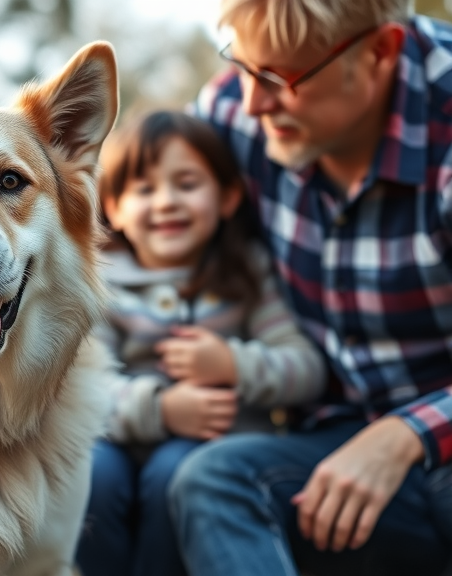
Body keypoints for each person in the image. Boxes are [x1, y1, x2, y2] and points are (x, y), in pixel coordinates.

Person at [171, 1, 452, 575]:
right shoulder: (233, 112)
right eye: (244, 67)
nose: (254, 102)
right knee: (212, 481)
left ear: (380, 52)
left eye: (279, 77)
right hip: (329, 446)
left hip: (436, 434)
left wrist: (404, 436)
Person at [74, 110, 326, 576]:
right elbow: (85, 388)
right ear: (112, 207)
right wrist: (161, 409)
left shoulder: (246, 275)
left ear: (228, 197)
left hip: (213, 446)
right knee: (91, 475)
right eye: (144, 190)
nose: (166, 202)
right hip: (118, 440)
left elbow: (306, 367)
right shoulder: (101, 284)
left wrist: (233, 364)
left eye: (187, 184)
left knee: (175, 473)